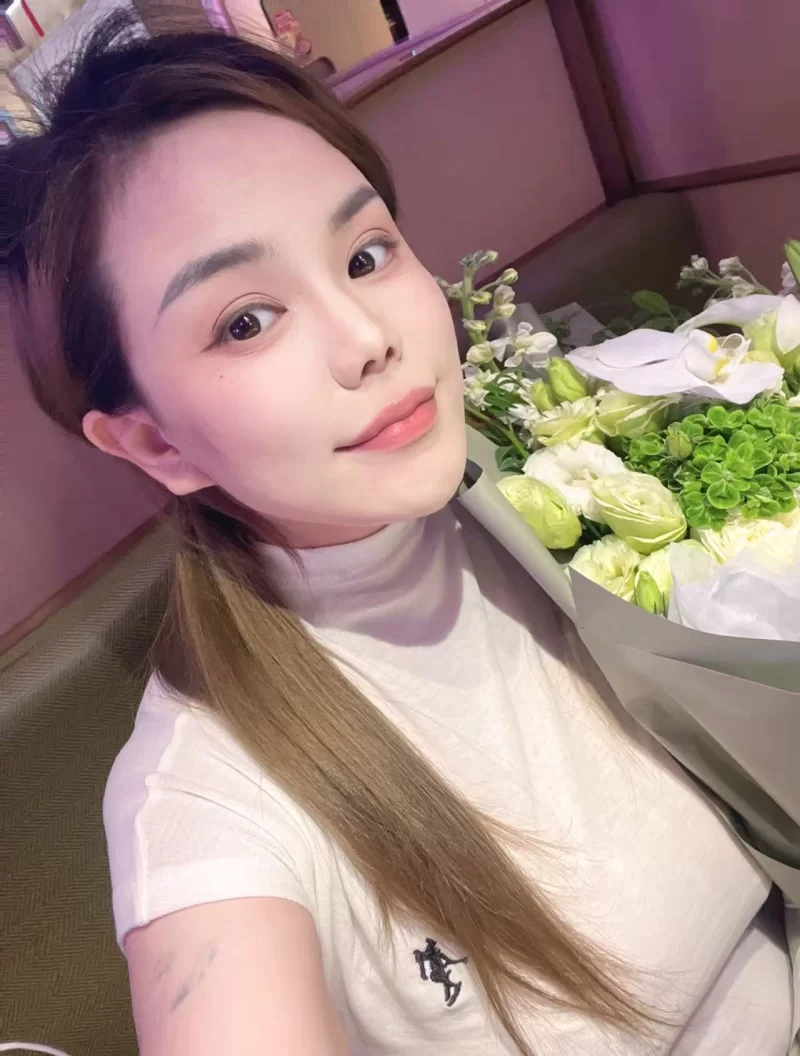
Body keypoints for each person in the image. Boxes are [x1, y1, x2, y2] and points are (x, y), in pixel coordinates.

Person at [4, 15, 793, 1056]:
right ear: (156, 443)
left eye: (366, 254)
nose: (366, 338)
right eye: (245, 321)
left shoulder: (567, 471)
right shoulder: (207, 804)